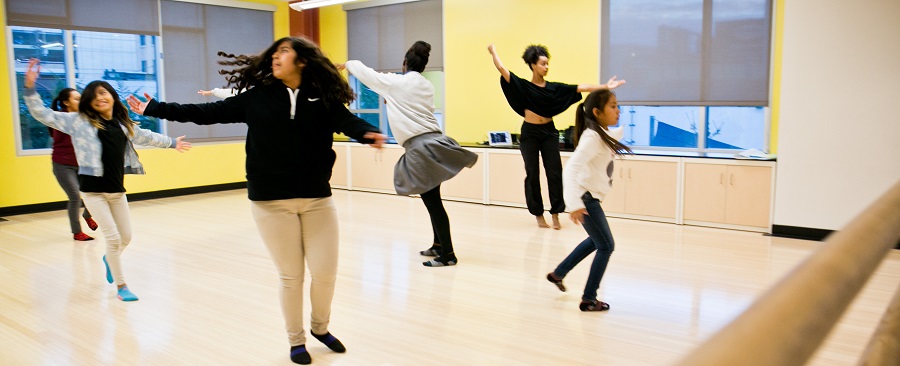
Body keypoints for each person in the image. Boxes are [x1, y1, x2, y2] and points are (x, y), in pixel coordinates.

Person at [127, 37, 387, 365]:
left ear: (302, 61)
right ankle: (296, 340)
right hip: (271, 202)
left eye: (284, 52)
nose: (276, 57)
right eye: (275, 52)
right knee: (291, 276)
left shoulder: (322, 97)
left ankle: (320, 328)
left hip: (317, 198)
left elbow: (348, 121)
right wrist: (155, 108)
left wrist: (369, 132)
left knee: (326, 273)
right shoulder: (258, 98)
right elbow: (206, 113)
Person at [22, 59, 192, 303]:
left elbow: (146, 136)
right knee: (112, 239)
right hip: (93, 192)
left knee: (126, 237)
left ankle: (109, 258)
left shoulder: (123, 125)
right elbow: (42, 114)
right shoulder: (78, 122)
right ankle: (122, 286)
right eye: (94, 96)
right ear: (90, 103)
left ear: (112, 96)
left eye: (104, 93)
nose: (99, 98)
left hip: (116, 191)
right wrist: (29, 89)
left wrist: (172, 143)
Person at [338, 40, 478, 267]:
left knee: (433, 203)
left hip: (421, 148)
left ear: (404, 63)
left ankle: (448, 255)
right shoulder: (426, 86)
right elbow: (406, 104)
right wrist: (391, 99)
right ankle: (438, 245)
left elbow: (368, 74)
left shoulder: (397, 84)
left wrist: (347, 64)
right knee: (433, 199)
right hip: (435, 143)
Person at [487, 43, 625, 229]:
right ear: (533, 65)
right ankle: (538, 215)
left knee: (554, 173)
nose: (546, 67)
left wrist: (604, 86)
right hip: (530, 133)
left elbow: (580, 88)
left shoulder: (554, 88)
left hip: (549, 132)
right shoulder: (524, 86)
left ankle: (555, 213)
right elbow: (502, 69)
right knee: (532, 173)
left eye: (547, 63)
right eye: (543, 63)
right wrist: (494, 52)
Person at [545, 89, 632, 312]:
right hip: (587, 199)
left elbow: (611, 139)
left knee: (596, 241)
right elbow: (571, 168)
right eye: (612, 106)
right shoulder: (592, 137)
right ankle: (589, 298)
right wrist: (574, 205)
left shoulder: (599, 133)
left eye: (617, 105)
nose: (618, 110)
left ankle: (558, 274)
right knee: (606, 245)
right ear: (597, 111)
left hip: (590, 198)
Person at [49, 88, 98, 241]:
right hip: (62, 164)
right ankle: (77, 232)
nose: (80, 101)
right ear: (66, 102)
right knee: (75, 196)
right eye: (76, 99)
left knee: (94, 192)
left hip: (81, 163)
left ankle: (87, 215)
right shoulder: (59, 118)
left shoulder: (85, 117)